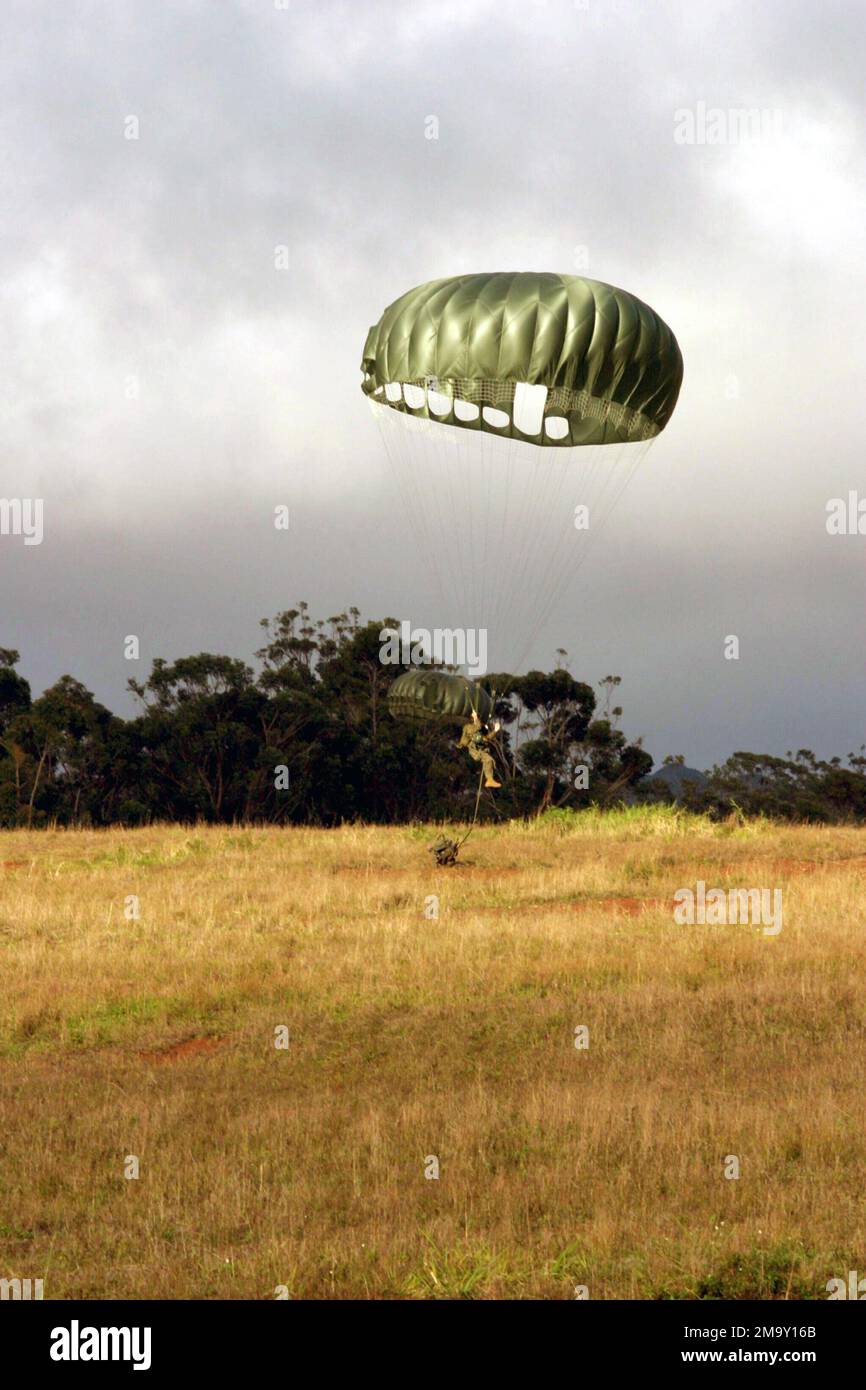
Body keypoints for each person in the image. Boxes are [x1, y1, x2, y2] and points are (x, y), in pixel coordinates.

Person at [458, 710, 501, 788]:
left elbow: (486, 738)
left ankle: (490, 779)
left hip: (480, 750)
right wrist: (475, 717)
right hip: (475, 751)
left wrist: (495, 731)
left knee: (489, 760)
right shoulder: (468, 727)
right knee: (488, 760)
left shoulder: (478, 729)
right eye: (477, 718)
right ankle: (489, 780)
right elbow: (476, 730)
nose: (479, 719)